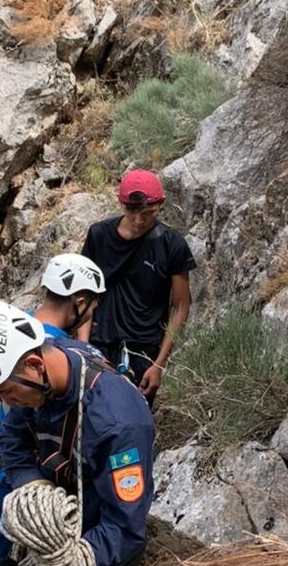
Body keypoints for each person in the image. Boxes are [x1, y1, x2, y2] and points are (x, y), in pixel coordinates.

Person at [0, 298, 154, 566]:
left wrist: (76, 559)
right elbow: (12, 441)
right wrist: (38, 491)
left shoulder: (117, 425)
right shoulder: (39, 380)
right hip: (66, 520)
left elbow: (124, 528)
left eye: (7, 393)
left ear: (35, 364)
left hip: (96, 539)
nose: (7, 404)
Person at [0, 253, 108, 566]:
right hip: (32, 466)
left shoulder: (17, 331)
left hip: (4, 460)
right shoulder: (52, 351)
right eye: (93, 306)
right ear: (80, 300)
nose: (92, 314)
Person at [82, 169, 196, 404]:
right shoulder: (99, 236)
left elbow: (181, 305)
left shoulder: (172, 245)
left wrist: (158, 365)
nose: (138, 220)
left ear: (160, 204)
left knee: (134, 423)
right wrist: (84, 351)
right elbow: (85, 295)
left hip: (144, 352)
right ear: (121, 203)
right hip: (100, 346)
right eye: (131, 211)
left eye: (147, 213)